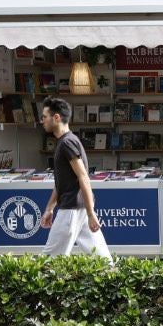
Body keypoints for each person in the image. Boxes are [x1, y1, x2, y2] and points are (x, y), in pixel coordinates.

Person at [37, 96, 111, 259]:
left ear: (56, 117)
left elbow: (83, 177)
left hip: (71, 210)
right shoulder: (66, 141)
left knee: (49, 261)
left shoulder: (66, 143)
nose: (42, 121)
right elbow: (61, 182)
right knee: (102, 260)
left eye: (44, 117)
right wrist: (49, 208)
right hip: (79, 208)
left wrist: (91, 213)